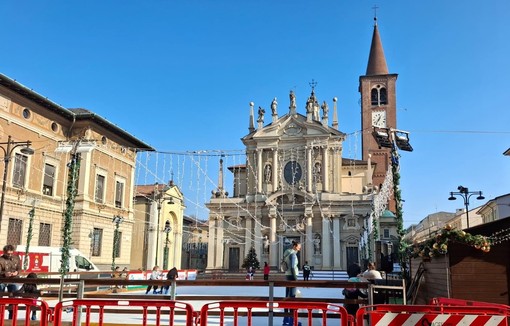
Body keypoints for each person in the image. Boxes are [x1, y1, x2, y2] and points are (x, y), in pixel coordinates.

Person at [283, 240, 302, 326]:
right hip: (292, 276)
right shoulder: (293, 254)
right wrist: (295, 279)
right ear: (295, 246)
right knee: (292, 297)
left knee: (287, 296)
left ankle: (286, 318)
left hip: (287, 275)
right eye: (299, 246)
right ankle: (292, 320)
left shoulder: (287, 253)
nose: (300, 248)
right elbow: (293, 267)